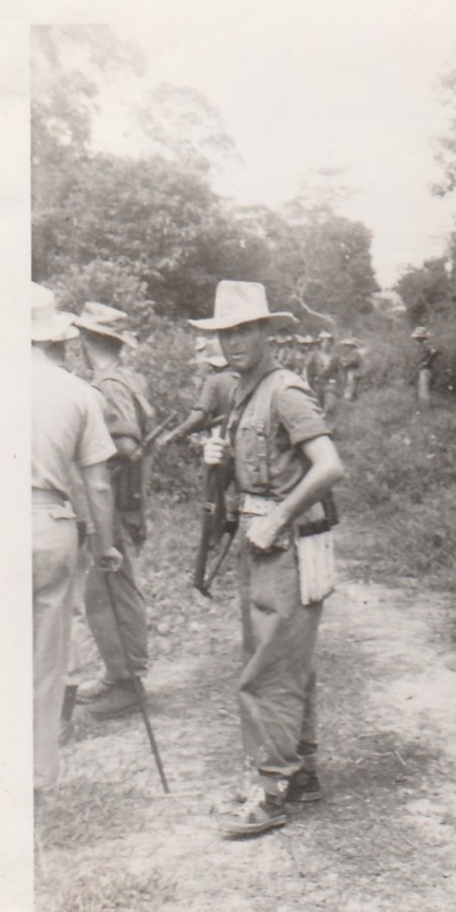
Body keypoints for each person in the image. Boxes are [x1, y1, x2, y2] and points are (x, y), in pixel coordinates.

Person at [199, 280, 345, 838]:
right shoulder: (242, 390)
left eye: (244, 330)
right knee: (282, 659)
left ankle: (269, 791)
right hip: (260, 537)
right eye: (225, 333)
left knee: (269, 668)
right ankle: (299, 771)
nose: (233, 342)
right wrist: (217, 457)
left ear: (266, 332)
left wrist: (279, 518)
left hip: (284, 541)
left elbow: (328, 466)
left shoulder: (284, 389)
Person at [31, 283, 121, 795]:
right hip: (50, 523)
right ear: (55, 341)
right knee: (46, 659)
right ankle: (38, 774)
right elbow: (98, 482)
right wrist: (105, 545)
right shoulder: (79, 393)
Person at [75, 302, 154, 720]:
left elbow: (127, 446)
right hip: (126, 498)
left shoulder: (105, 385)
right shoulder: (128, 378)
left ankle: (126, 682)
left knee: (110, 591)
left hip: (115, 500)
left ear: (87, 340)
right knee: (109, 589)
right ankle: (119, 674)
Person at [156, 334, 238, 448]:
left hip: (223, 443)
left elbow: (198, 417)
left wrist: (172, 435)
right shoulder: (245, 380)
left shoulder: (214, 381)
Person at [412, 326, 440, 404]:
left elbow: (434, 352)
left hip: (426, 369)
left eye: (417, 337)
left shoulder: (426, 343)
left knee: (424, 390)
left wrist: (428, 362)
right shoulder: (424, 344)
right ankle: (423, 407)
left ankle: (424, 408)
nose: (416, 339)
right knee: (422, 388)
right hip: (424, 368)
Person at [339, 337, 362, 401]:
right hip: (346, 370)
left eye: (347, 346)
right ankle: (347, 396)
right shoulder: (345, 354)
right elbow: (341, 360)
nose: (345, 347)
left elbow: (354, 360)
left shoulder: (354, 353)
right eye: (345, 346)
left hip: (352, 370)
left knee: (350, 382)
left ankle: (349, 397)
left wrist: (346, 362)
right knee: (346, 382)